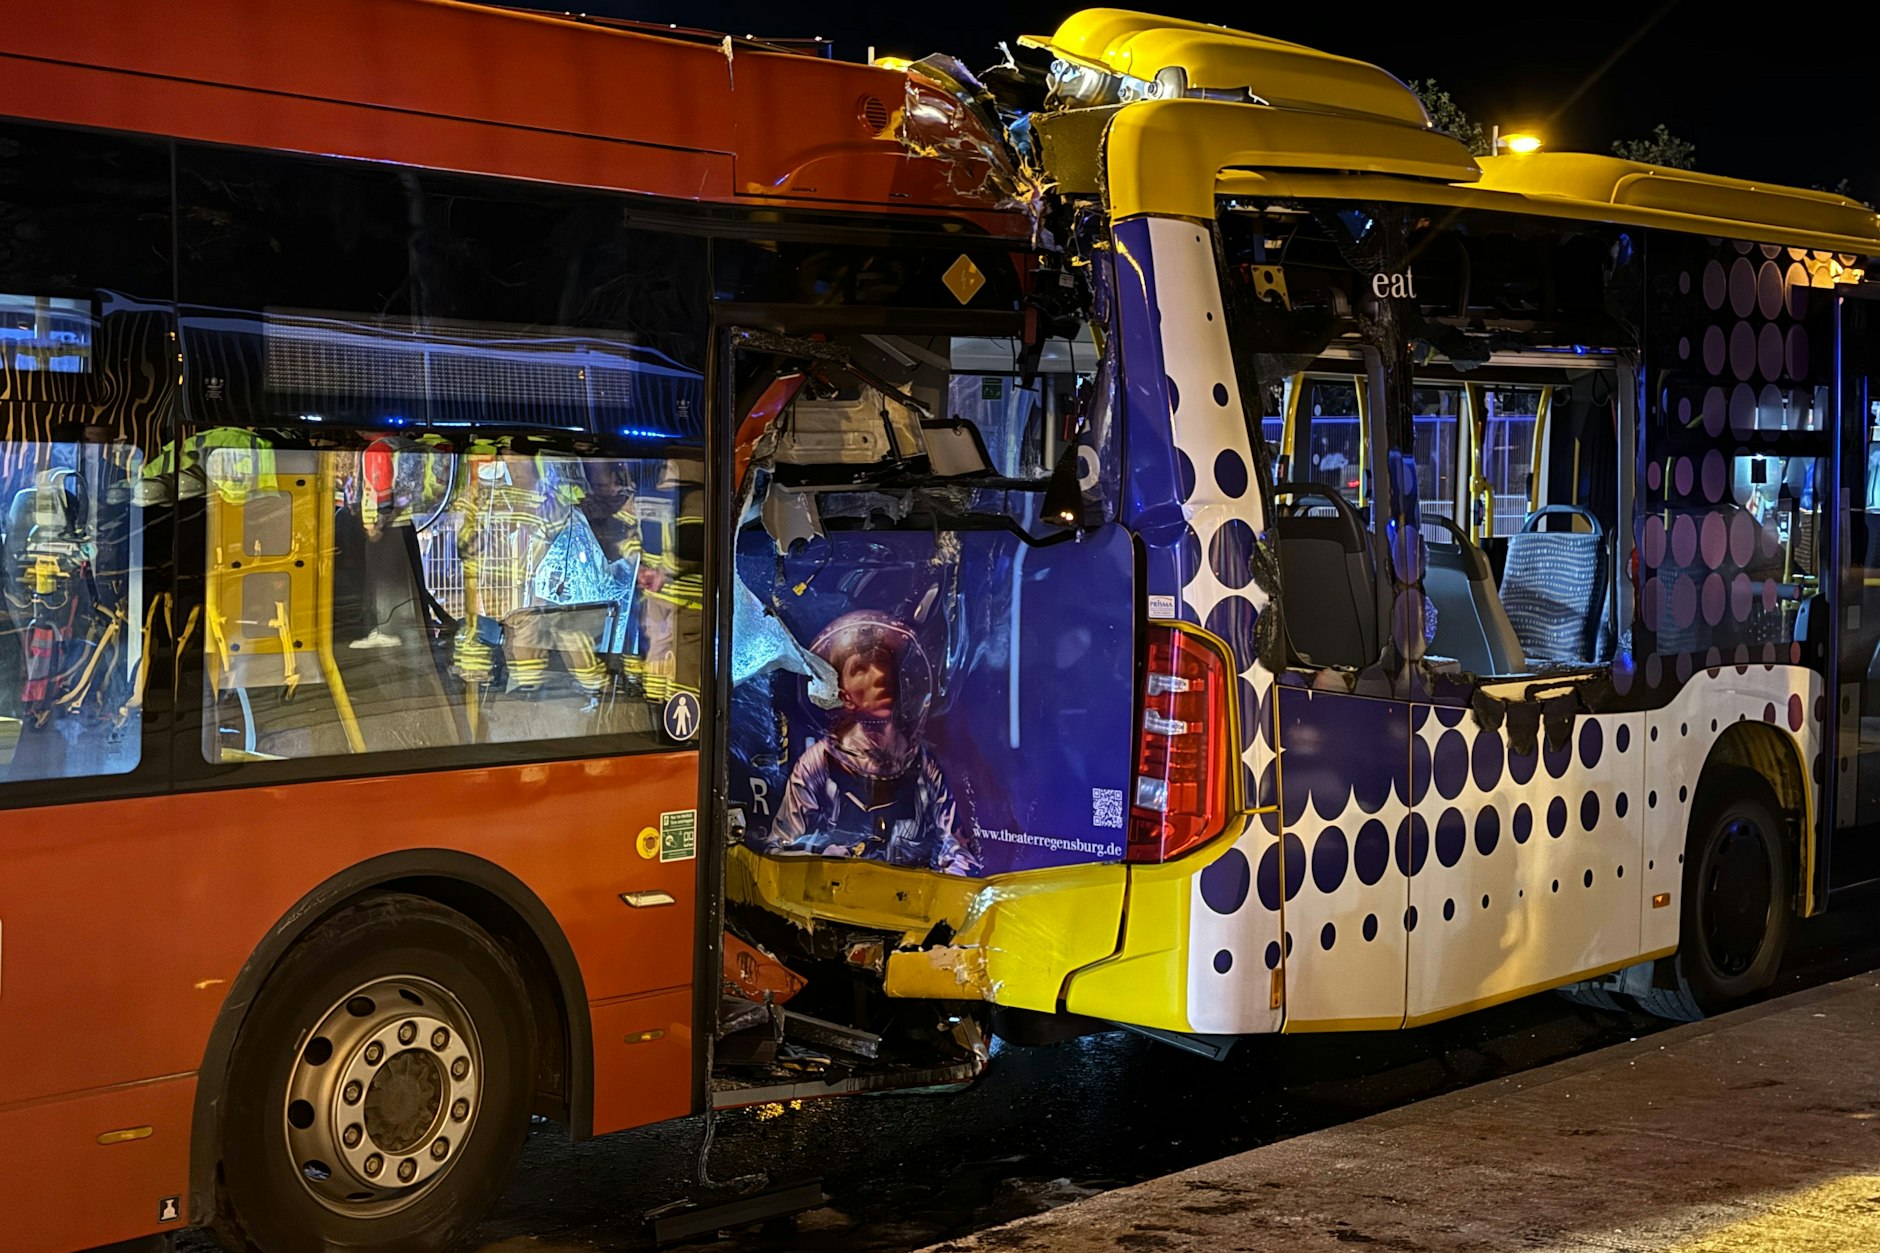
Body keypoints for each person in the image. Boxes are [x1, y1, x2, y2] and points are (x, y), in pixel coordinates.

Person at [766, 610, 978, 875]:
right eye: (860, 669)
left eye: (880, 662)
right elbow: (780, 850)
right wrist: (820, 856)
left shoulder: (923, 764)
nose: (878, 675)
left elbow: (957, 850)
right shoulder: (818, 764)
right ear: (843, 695)